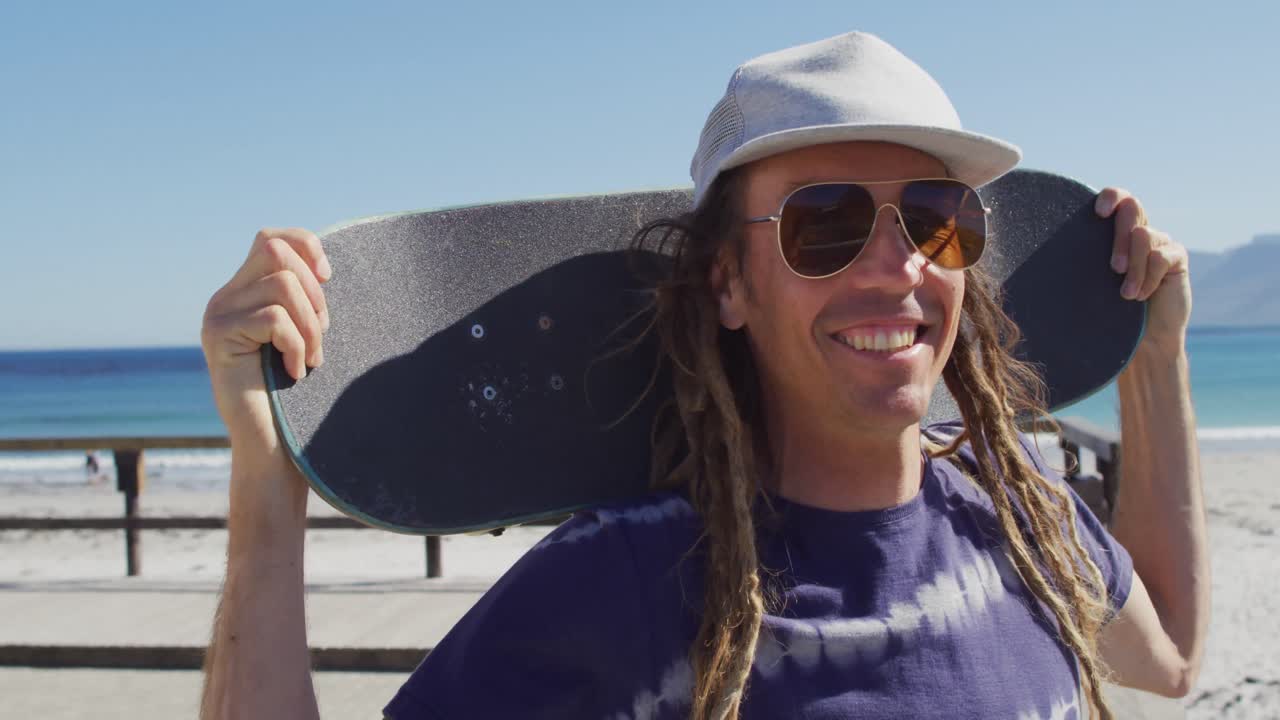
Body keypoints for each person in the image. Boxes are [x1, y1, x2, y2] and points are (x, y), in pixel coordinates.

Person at [198, 31, 1207, 720]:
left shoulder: (1027, 531)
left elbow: (1168, 659)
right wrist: (266, 482)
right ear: (727, 282)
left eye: (938, 218)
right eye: (825, 223)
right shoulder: (624, 585)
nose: (894, 265)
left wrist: (1153, 363)